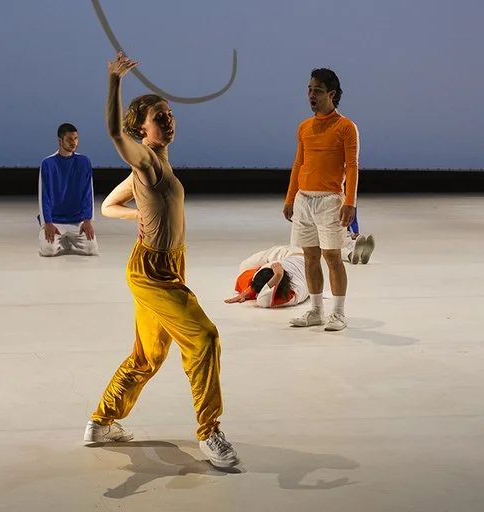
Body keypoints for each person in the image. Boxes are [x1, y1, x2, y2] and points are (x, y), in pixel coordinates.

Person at [83, 52, 238, 469]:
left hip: (167, 266)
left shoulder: (158, 164)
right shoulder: (147, 160)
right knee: (204, 338)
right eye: (159, 117)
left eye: (170, 114)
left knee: (148, 356)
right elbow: (114, 133)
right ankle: (209, 432)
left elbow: (109, 206)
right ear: (141, 129)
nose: (169, 121)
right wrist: (115, 80)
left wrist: (135, 214)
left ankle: (101, 421)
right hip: (152, 272)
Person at [283, 68, 359, 331]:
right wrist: (290, 197)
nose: (311, 95)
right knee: (310, 256)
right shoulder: (304, 127)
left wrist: (350, 202)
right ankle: (316, 310)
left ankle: (338, 313)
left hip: (330, 200)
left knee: (332, 256)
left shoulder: (346, 127)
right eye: (309, 89)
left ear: (331, 94)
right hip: (304, 199)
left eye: (317, 90)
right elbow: (298, 163)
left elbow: (352, 167)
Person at [38, 123, 98, 257]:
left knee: (91, 249)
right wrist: (47, 222)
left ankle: (66, 239)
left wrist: (88, 220)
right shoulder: (48, 164)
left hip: (77, 221)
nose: (73, 142)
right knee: (48, 251)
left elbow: (88, 193)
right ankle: (59, 238)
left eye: (76, 138)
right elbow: (44, 196)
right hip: (55, 221)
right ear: (60, 141)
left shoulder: (84, 162)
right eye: (69, 139)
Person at [224, 246, 309, 308]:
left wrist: (278, 275)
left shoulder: (294, 295)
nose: (257, 295)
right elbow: (265, 290)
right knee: (245, 265)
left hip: (299, 257)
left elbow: (263, 300)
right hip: (291, 254)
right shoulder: (274, 268)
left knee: (245, 266)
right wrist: (248, 292)